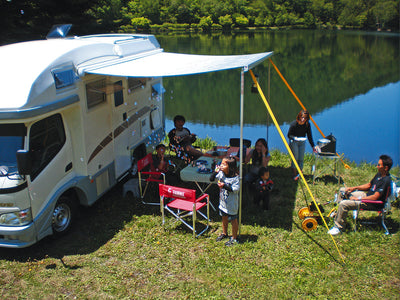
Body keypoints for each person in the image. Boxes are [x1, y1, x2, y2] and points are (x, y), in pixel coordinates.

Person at [328, 154, 393, 236]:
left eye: (379, 165)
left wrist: (358, 199)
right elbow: (369, 185)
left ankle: (339, 228)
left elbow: (375, 197)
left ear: (386, 168)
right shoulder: (379, 174)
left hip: (371, 203)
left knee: (343, 204)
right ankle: (338, 214)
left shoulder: (386, 181)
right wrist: (353, 188)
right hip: (366, 196)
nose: (376, 166)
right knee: (342, 191)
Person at [210, 157, 240, 246]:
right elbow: (211, 179)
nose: (221, 166)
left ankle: (234, 238)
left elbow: (235, 190)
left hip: (231, 204)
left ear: (230, 167)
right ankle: (224, 233)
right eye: (221, 164)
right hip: (223, 203)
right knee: (224, 218)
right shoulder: (221, 174)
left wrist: (224, 186)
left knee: (233, 220)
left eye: (224, 164)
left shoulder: (235, 178)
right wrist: (215, 172)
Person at [287, 110, 318, 180]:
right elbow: (289, 135)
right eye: (302, 117)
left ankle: (299, 173)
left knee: (301, 158)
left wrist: (313, 146)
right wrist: (294, 138)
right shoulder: (294, 124)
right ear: (299, 117)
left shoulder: (307, 125)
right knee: (295, 158)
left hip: (302, 142)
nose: (303, 119)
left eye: (305, 118)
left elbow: (309, 136)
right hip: (294, 142)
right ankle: (294, 175)